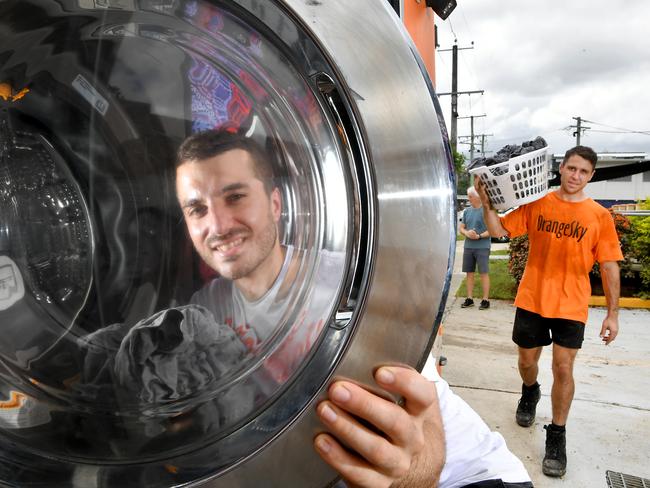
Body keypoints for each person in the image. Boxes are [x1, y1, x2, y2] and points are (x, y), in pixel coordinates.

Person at [176, 129, 533, 488]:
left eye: (235, 197)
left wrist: (405, 471)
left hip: (470, 476)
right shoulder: (204, 311)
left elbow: (427, 444)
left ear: (275, 204)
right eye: (197, 209)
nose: (217, 225)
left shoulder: (350, 284)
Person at [476, 145, 623, 478]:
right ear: (561, 169)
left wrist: (613, 314)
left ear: (591, 176)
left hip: (572, 303)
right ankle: (530, 391)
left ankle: (557, 435)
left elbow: (610, 265)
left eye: (583, 172)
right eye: (571, 169)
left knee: (562, 367)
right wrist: (486, 205)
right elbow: (500, 231)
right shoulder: (538, 203)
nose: (576, 176)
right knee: (527, 362)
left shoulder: (599, 216)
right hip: (532, 298)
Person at [459, 187, 491, 310]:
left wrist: (478, 236)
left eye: (470, 196)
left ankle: (485, 300)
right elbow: (462, 228)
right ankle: (469, 298)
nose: (468, 198)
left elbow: (492, 230)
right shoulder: (467, 211)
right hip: (468, 247)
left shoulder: (486, 211)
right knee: (469, 273)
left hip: (482, 247)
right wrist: (467, 233)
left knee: (483, 273)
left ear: (477, 197)